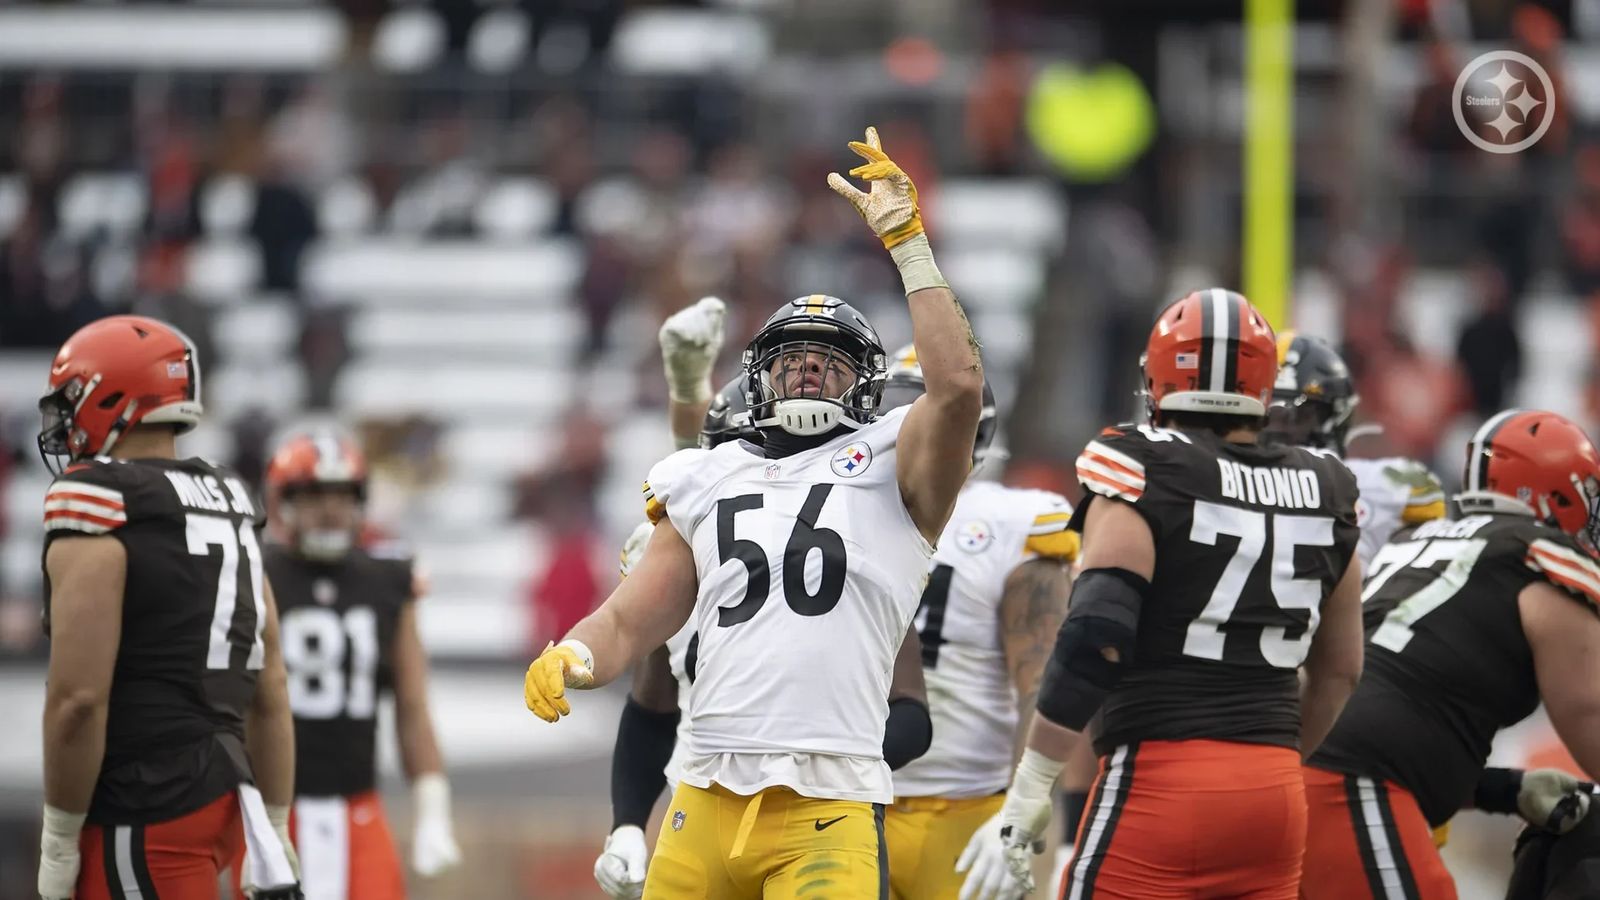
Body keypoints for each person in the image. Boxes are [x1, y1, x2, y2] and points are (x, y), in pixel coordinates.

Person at [527, 125, 982, 897]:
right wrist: (574, 652)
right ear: (760, 379)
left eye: (828, 362)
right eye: (792, 360)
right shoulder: (706, 474)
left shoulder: (893, 464)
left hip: (828, 805)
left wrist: (907, 244)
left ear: (866, 385)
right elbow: (634, 618)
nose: (807, 371)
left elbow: (960, 387)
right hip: (702, 799)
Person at [996, 289, 1366, 899]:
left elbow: (1096, 636)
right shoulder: (1328, 485)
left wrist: (1035, 779)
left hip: (1161, 783)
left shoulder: (1142, 463)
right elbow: (1342, 671)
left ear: (1159, 377)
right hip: (1274, 790)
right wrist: (1270, 761)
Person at [35, 315, 301, 900]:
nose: (67, 420)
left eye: (74, 400)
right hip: (226, 795)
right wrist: (276, 823)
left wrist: (58, 834)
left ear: (111, 395)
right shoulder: (228, 496)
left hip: (144, 800)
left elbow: (78, 701)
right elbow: (272, 681)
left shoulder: (99, 494)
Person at [1302, 409, 1600, 900]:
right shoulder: (1540, 559)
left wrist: (1504, 789)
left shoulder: (1413, 544)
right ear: (1558, 493)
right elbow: (1590, 723)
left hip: (1305, 768)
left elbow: (1411, 714)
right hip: (1353, 782)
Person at [871, 347, 1077, 900]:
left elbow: (1045, 683)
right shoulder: (848, 507)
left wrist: (1020, 804)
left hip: (967, 809)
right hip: (851, 800)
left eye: (906, 419)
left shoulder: (1009, 524)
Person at [257, 428, 461, 898]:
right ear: (282, 501)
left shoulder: (388, 579)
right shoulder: (255, 572)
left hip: (358, 804)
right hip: (271, 806)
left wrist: (433, 810)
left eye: (342, 495)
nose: (330, 509)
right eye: (313, 495)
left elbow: (412, 707)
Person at [1262, 331, 1446, 569]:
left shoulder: (1378, 486)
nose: (1282, 433)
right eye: (1269, 417)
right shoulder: (1383, 488)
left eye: (1300, 417)